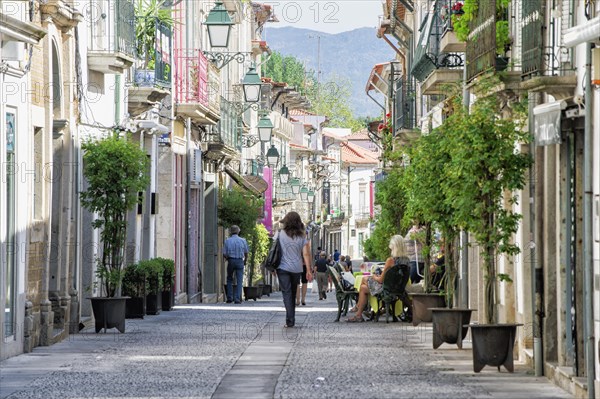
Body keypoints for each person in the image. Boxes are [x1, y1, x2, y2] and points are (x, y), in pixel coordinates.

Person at [346, 235, 412, 322]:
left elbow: (381, 280)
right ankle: (359, 312)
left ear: (395, 248)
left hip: (386, 289)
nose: (391, 250)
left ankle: (359, 309)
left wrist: (374, 276)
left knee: (364, 279)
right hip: (400, 288)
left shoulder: (390, 260)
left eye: (392, 249)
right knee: (363, 288)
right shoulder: (407, 260)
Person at [276, 212, 313, 328]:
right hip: (297, 268)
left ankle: (290, 320)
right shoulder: (302, 237)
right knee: (292, 292)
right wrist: (308, 270)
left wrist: (272, 267)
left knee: (286, 293)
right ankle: (290, 319)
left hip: (282, 267)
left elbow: (274, 250)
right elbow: (306, 254)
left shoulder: (279, 234)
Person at [222, 225, 249, 304]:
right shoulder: (243, 240)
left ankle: (229, 298)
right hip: (240, 260)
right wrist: (245, 261)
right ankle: (237, 299)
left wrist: (227, 258)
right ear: (238, 231)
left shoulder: (227, 241)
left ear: (230, 231)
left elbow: (224, 253)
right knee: (239, 280)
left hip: (231, 260)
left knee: (229, 279)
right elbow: (246, 252)